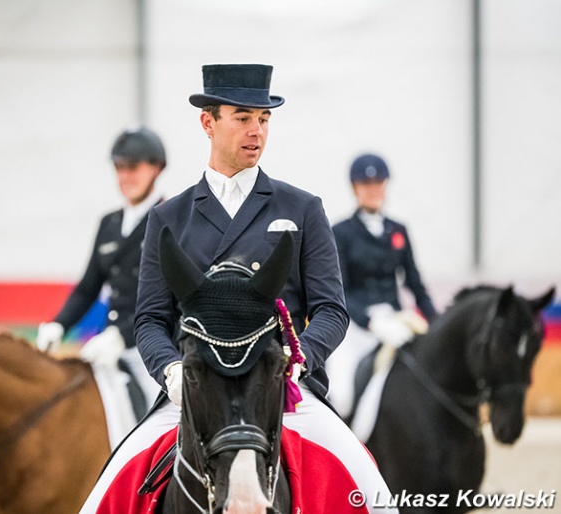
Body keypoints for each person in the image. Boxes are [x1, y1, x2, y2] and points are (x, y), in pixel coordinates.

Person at [80, 64, 397, 513]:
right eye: (243, 118)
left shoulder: (303, 209)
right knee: (100, 497)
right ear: (208, 123)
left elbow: (331, 309)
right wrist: (171, 370)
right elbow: (149, 318)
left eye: (263, 120)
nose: (256, 131)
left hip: (280, 387)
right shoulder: (168, 219)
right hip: (194, 387)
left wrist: (298, 358)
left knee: (374, 490)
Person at [35, 127, 165, 417]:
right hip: (109, 349)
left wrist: (122, 336)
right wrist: (59, 325)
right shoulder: (109, 223)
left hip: (154, 351)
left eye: (132, 167)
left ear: (156, 168)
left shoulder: (169, 220)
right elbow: (88, 287)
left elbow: (173, 299)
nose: (125, 176)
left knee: (160, 418)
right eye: (119, 168)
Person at [327, 153, 438, 419]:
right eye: (366, 184)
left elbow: (415, 284)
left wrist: (437, 323)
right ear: (355, 188)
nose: (373, 190)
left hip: (396, 322)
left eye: (378, 183)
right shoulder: (341, 232)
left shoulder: (398, 230)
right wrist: (370, 322)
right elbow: (339, 289)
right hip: (355, 327)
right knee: (341, 397)